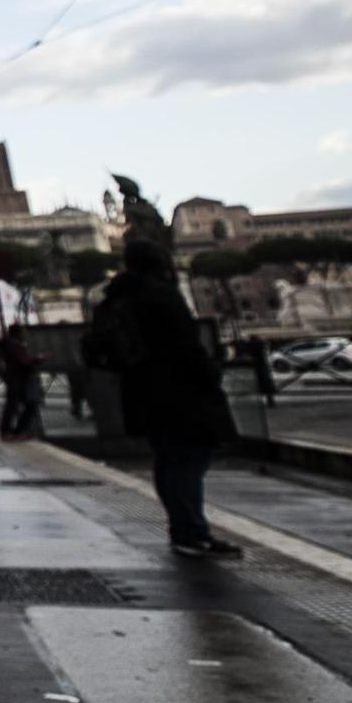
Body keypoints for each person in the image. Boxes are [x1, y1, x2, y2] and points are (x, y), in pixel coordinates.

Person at [96, 232, 241, 558]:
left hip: (141, 390)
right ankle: (192, 532)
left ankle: (183, 529)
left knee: (168, 460)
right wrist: (209, 375)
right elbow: (184, 345)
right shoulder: (160, 296)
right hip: (178, 390)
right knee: (190, 459)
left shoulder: (118, 297)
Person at [0, 322, 45, 439]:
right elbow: (24, 361)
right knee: (22, 405)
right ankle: (15, 431)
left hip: (17, 378)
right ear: (18, 333)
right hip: (18, 379)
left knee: (15, 405)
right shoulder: (14, 345)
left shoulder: (13, 344)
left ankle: (14, 430)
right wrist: (37, 359)